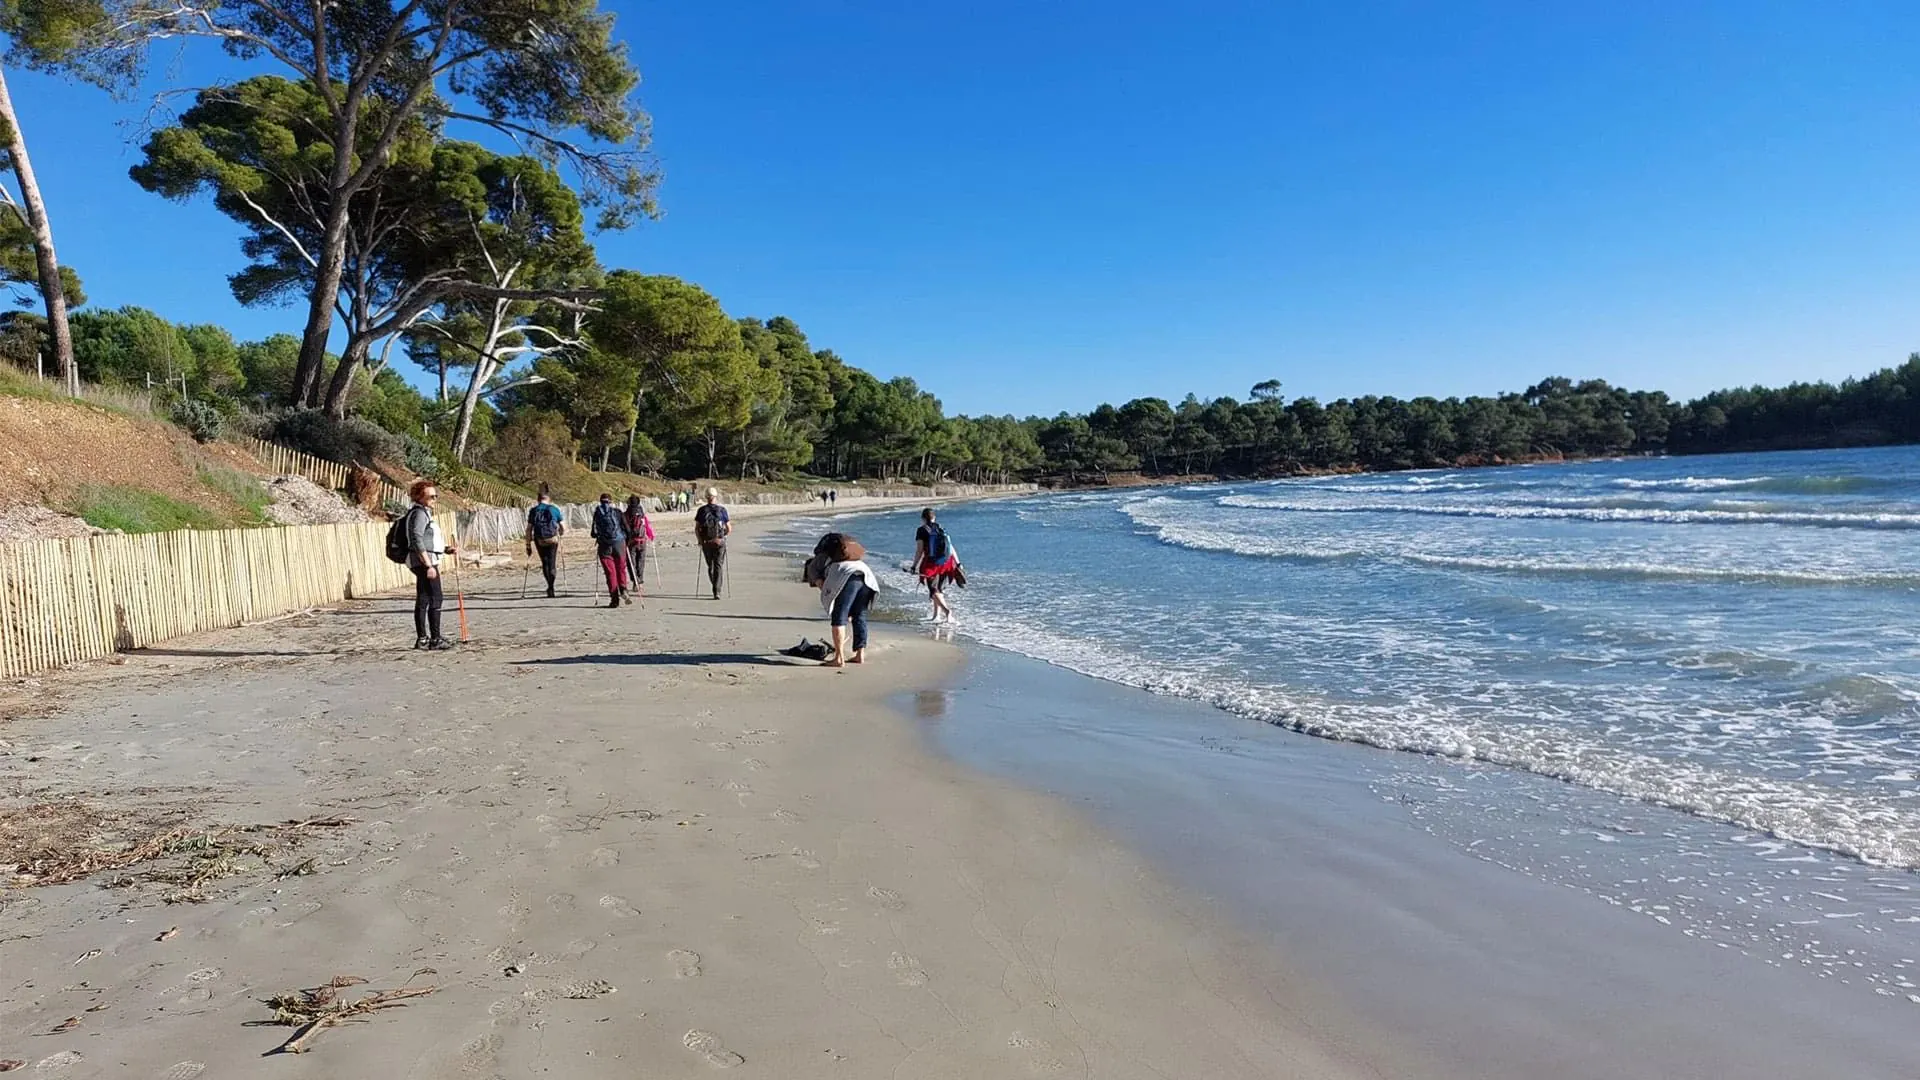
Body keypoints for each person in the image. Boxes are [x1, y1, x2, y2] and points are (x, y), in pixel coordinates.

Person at [404, 479, 456, 649]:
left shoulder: (421, 513)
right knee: (435, 597)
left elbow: (426, 539)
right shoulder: (419, 514)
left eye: (435, 496)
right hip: (424, 561)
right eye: (431, 497)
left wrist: (445, 549)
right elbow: (416, 539)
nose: (435, 499)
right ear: (420, 497)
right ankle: (435, 638)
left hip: (422, 559)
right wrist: (428, 565)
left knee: (424, 597)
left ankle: (423, 639)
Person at [816, 533, 878, 667]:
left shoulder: (825, 562)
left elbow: (825, 586)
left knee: (839, 617)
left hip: (847, 577)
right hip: (866, 576)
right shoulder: (855, 558)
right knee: (860, 616)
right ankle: (860, 655)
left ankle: (839, 658)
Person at [913, 507, 958, 623]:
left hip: (931, 563)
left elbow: (919, 550)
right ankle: (936, 616)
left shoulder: (921, 530)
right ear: (934, 517)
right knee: (939, 589)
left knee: (933, 589)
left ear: (923, 518)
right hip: (946, 562)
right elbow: (950, 547)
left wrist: (914, 565)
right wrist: (958, 563)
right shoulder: (940, 528)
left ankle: (947, 611)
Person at [589, 492, 629, 607]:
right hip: (619, 543)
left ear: (600, 501)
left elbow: (593, 533)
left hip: (604, 546)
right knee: (621, 567)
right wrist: (626, 541)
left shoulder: (597, 513)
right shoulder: (617, 512)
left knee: (610, 572)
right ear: (611, 502)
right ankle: (623, 588)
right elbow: (627, 529)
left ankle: (614, 599)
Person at [524, 488, 567, 598]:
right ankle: (551, 586)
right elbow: (563, 527)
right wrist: (560, 534)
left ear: (538, 499)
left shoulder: (534, 511)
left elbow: (529, 529)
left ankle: (549, 585)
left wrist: (528, 545)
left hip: (540, 539)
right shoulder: (554, 509)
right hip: (552, 539)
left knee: (545, 562)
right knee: (552, 562)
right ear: (548, 498)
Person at [693, 487, 731, 600]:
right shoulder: (722, 510)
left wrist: (700, 541)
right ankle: (717, 591)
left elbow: (697, 528)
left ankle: (714, 585)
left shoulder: (702, 510)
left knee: (711, 566)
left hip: (707, 542)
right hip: (719, 542)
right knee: (718, 565)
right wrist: (723, 537)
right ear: (715, 497)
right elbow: (729, 528)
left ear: (706, 497)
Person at [622, 494, 653, 597]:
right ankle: (640, 581)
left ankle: (635, 582)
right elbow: (647, 526)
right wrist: (651, 536)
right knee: (641, 562)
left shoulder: (626, 514)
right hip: (642, 541)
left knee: (632, 563)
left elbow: (623, 528)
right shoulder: (642, 514)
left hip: (631, 542)